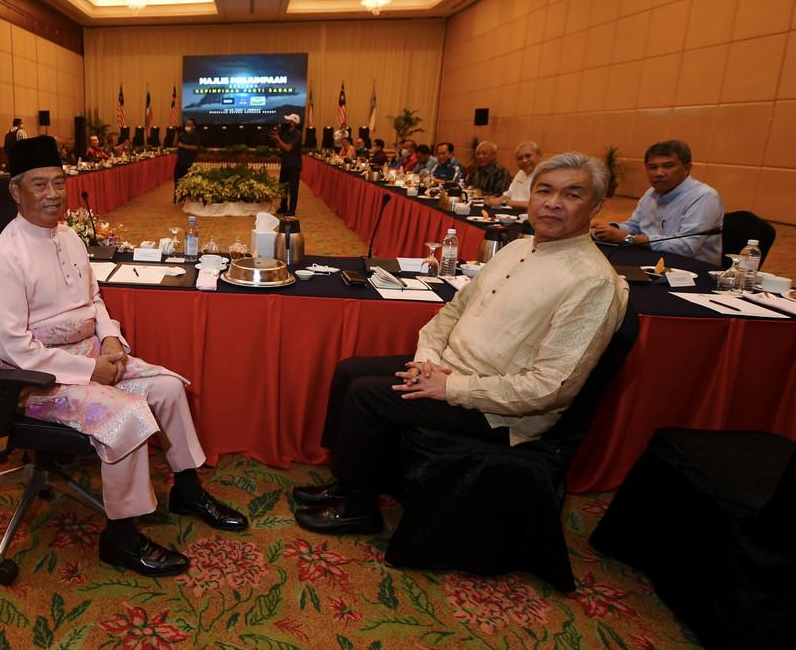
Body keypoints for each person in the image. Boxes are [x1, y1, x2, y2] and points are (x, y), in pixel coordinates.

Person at [293, 152, 628, 535]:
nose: (553, 203)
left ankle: (357, 508)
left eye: (572, 194)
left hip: (501, 410)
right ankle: (348, 479)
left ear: (596, 206)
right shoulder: (518, 248)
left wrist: (450, 387)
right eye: (544, 191)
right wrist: (428, 360)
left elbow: (550, 388)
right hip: (449, 368)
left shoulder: (594, 281)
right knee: (349, 370)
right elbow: (453, 311)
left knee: (368, 395)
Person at [0, 136, 247, 576]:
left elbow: (94, 300)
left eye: (58, 183)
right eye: (39, 185)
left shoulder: (68, 236)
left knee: (168, 388)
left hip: (93, 356)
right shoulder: (3, 258)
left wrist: (111, 340)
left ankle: (187, 489)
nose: (52, 194)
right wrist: (90, 371)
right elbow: (13, 348)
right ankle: (119, 537)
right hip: (36, 379)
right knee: (127, 415)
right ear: (15, 191)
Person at [591, 140, 724, 264]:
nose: (659, 173)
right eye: (653, 167)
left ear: (687, 168)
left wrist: (628, 238)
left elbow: (687, 247)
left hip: (691, 268)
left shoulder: (704, 197)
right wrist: (610, 230)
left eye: (668, 166)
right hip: (652, 260)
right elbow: (635, 226)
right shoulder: (651, 193)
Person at [496, 141, 542, 210]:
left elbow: (537, 204)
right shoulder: (521, 173)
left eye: (528, 156)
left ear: (539, 155)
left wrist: (506, 202)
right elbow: (508, 195)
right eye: (520, 158)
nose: (524, 160)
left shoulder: (545, 175)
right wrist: (493, 200)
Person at [272, 113, 303, 215]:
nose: (287, 122)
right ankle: (283, 206)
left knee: (293, 188)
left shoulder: (297, 134)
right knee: (283, 187)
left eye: (289, 120)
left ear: (293, 123)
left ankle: (292, 210)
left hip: (294, 165)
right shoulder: (286, 133)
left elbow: (288, 148)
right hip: (285, 163)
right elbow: (280, 147)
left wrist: (278, 139)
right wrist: (276, 140)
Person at [173, 118, 200, 193]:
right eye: (186, 124)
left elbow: (196, 147)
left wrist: (184, 146)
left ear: (194, 126)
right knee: (177, 179)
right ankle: (178, 193)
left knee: (188, 181)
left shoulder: (196, 135)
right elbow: (175, 144)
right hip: (180, 161)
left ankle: (187, 195)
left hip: (189, 162)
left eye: (189, 124)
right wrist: (177, 134)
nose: (187, 126)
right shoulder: (182, 134)